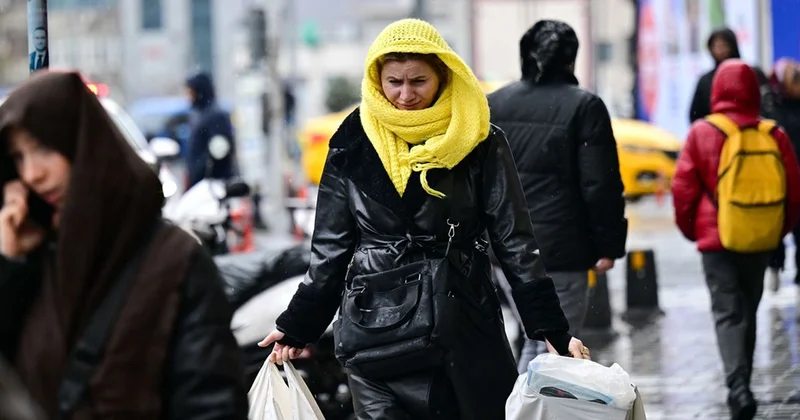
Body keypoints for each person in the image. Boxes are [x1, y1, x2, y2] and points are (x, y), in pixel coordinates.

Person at [258, 18, 588, 420]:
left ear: (443, 77)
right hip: (376, 323)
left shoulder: (479, 138)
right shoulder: (353, 139)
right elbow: (331, 247)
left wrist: (551, 329)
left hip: (460, 318)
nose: (405, 95)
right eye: (393, 81)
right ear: (377, 79)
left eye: (418, 81)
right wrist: (298, 324)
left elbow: (514, 239)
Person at [0, 71, 249, 419]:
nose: (32, 174)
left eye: (43, 148)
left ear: (85, 143)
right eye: (18, 157)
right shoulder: (37, 261)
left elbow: (211, 405)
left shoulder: (174, 262)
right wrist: (10, 263)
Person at [487, 19, 628, 373]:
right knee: (551, 348)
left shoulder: (494, 104)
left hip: (502, 249)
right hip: (561, 250)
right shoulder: (584, 106)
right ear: (570, 59)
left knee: (533, 338)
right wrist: (608, 245)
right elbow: (600, 184)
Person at [672, 59, 800, 420]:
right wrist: (777, 231)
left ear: (717, 91)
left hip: (716, 242)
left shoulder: (702, 132)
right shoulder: (773, 134)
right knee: (749, 309)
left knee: (727, 313)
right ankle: (742, 381)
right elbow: (793, 192)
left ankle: (738, 387)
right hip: (760, 239)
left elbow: (683, 189)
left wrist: (691, 229)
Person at [762, 58, 800, 291]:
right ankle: (775, 267)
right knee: (775, 227)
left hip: (797, 172)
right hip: (777, 174)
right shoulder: (769, 103)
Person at [689, 28, 768, 123]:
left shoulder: (751, 74)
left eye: (724, 45)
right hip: (717, 134)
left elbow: (766, 106)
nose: (720, 50)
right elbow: (696, 114)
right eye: (716, 46)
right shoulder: (705, 81)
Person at [184, 72, 237, 189]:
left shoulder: (216, 116)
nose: (188, 96)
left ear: (199, 91)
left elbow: (219, 150)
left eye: (191, 91)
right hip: (199, 184)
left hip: (213, 184)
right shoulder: (197, 114)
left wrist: (201, 170)